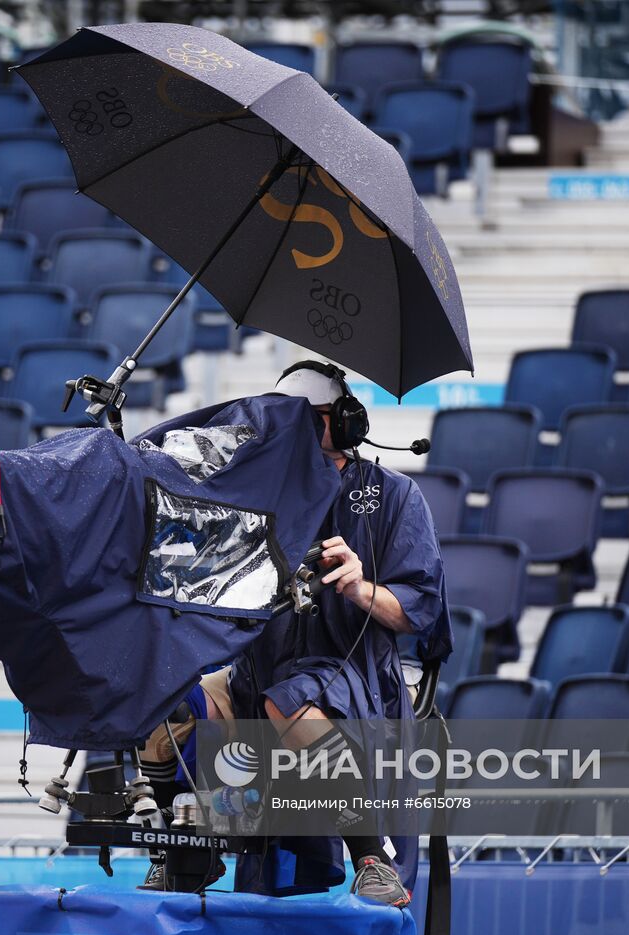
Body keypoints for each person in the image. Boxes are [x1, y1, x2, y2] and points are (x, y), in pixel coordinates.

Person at [138, 361, 451, 907]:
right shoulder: (245, 494)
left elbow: (416, 612)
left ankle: (370, 858)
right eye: (279, 424)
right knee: (161, 704)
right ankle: (182, 851)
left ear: (348, 423)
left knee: (291, 703)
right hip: (253, 678)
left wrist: (359, 586)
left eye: (308, 422)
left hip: (357, 684)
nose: (291, 437)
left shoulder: (395, 496)